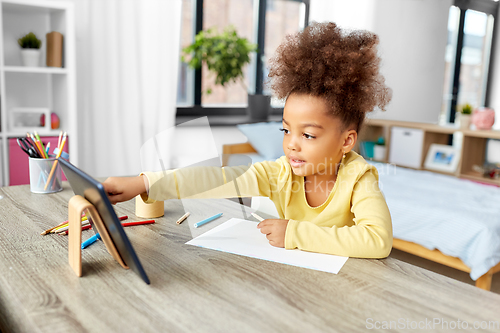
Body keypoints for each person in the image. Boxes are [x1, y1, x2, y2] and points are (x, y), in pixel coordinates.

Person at [103, 22, 393, 258]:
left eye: (307, 135)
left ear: (346, 141)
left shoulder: (359, 178)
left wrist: (293, 233)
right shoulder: (280, 173)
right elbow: (212, 179)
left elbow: (377, 240)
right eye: (285, 130)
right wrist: (144, 184)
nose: (292, 144)